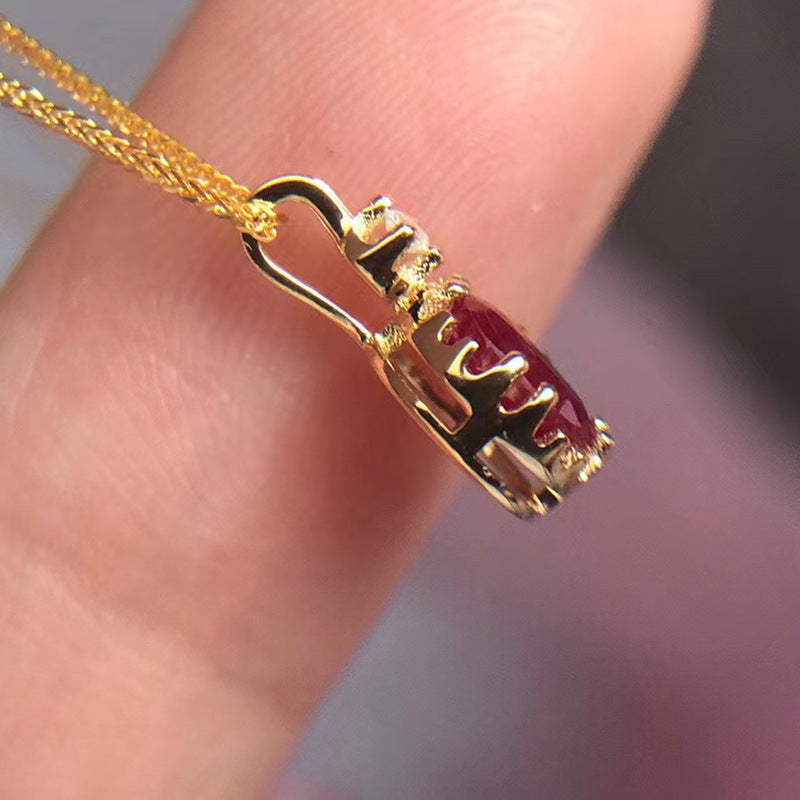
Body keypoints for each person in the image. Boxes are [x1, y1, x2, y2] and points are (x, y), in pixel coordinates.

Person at [0, 0, 708, 795]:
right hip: (468, 385)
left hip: (491, 380)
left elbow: (458, 377)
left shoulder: (434, 321)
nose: (405, 260)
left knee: (517, 396)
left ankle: (559, 457)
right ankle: (545, 465)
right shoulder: (407, 339)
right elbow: (430, 395)